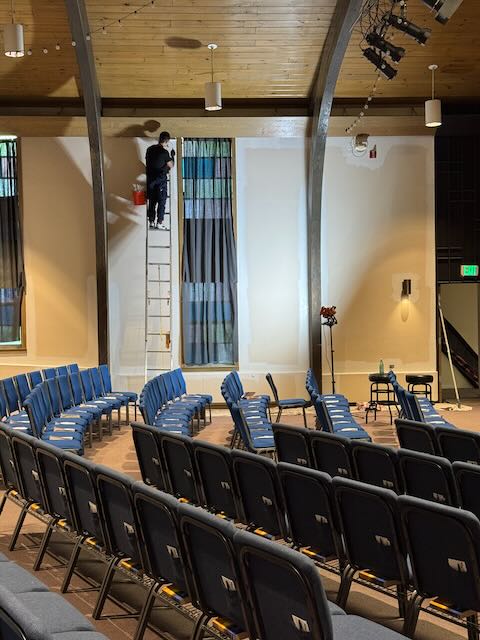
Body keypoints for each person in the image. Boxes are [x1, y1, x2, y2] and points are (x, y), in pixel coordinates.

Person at [146, 131, 174, 230]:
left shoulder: (149, 150)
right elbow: (171, 165)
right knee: (161, 201)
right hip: (160, 181)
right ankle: (159, 222)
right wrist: (171, 156)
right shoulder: (164, 152)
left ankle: (151, 221)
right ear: (166, 141)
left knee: (152, 202)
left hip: (150, 181)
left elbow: (149, 163)